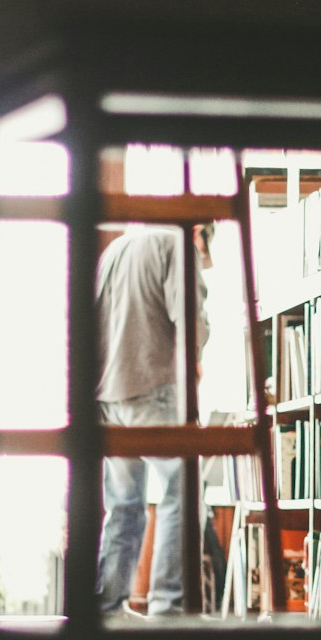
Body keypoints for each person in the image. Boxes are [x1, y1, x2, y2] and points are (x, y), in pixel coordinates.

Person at [95, 223, 213, 615]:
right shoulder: (177, 242)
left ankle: (108, 610)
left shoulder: (115, 249)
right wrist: (193, 365)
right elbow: (191, 320)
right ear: (199, 230)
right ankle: (169, 608)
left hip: (109, 394)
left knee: (123, 505)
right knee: (183, 492)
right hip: (153, 385)